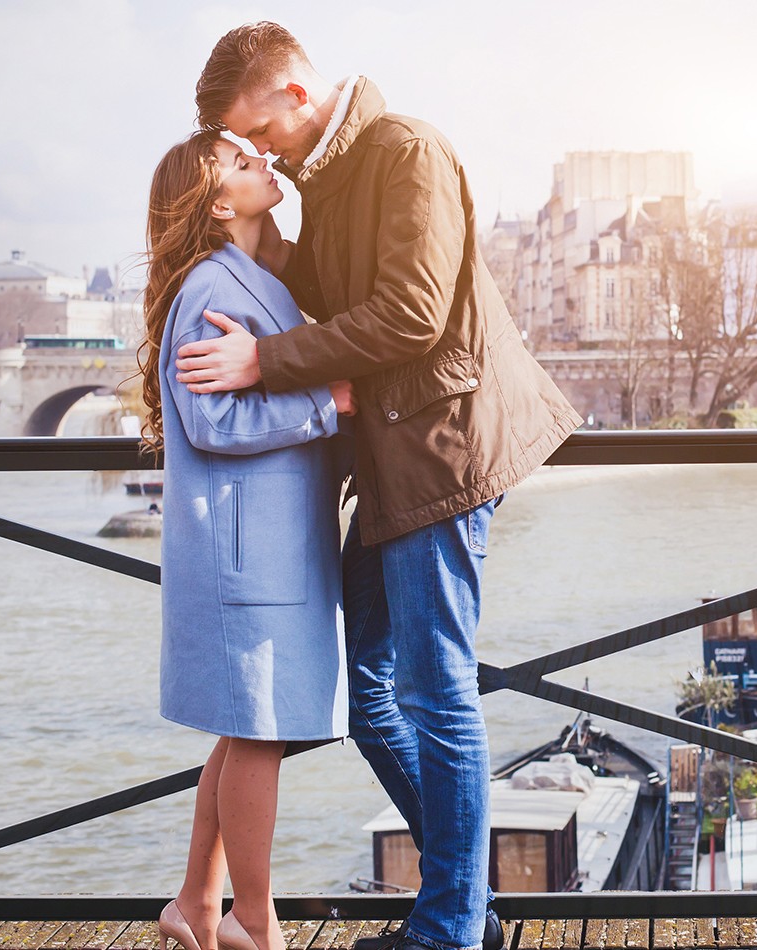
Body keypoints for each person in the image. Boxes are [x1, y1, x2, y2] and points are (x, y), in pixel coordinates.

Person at [175, 22, 580, 950]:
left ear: (294, 95)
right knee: (372, 691)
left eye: (261, 133)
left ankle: (448, 932)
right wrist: (249, 238)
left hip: (440, 455)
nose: (262, 150)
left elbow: (411, 312)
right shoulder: (334, 178)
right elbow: (332, 293)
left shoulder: (406, 151)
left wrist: (262, 362)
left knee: (434, 694)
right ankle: (464, 907)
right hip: (402, 462)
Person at [139, 130, 357, 950]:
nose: (261, 161)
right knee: (261, 732)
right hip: (248, 550)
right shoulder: (211, 285)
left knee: (244, 729)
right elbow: (211, 418)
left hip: (265, 540)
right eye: (240, 162)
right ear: (217, 203)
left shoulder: (253, 277)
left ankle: (197, 903)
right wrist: (331, 406)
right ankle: (254, 922)